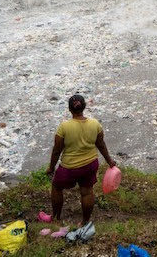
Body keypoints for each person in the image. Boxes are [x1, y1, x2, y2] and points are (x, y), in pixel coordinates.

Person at [46, 94, 116, 227]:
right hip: (90, 165)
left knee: (56, 187)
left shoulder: (64, 127)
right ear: (84, 107)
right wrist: (109, 161)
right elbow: (101, 145)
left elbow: (57, 150)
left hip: (70, 167)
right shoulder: (95, 124)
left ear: (69, 109)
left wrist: (51, 167)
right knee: (87, 192)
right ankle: (85, 222)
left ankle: (56, 218)